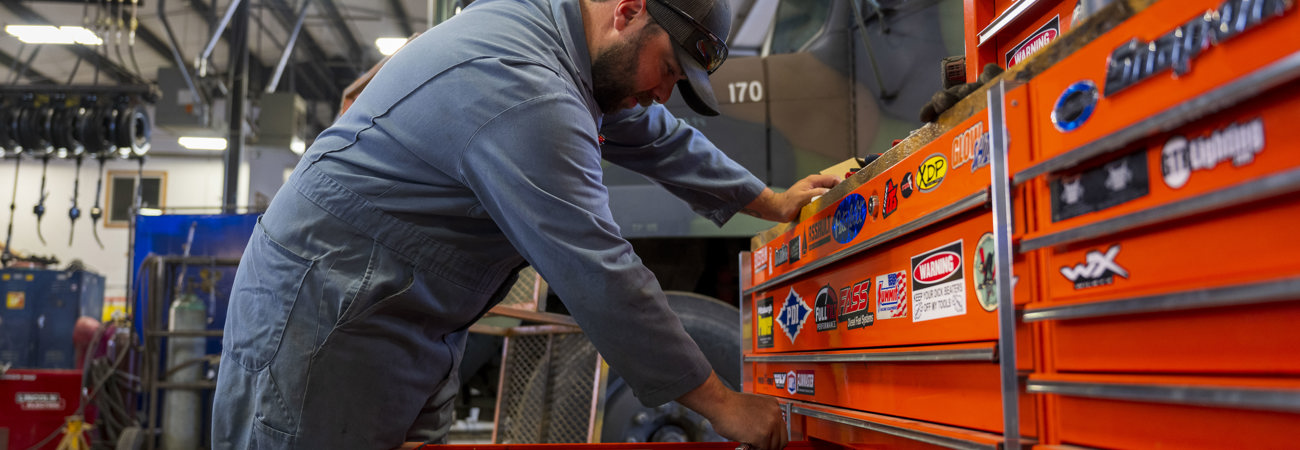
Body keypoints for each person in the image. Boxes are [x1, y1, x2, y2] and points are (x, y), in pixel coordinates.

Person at [211, 0, 838, 448]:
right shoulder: (529, 88)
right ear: (629, 10)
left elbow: (655, 135)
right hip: (330, 314)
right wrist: (725, 406)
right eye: (669, 70)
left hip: (400, 309)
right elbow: (602, 276)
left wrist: (772, 201)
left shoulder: (563, 42)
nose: (662, 93)